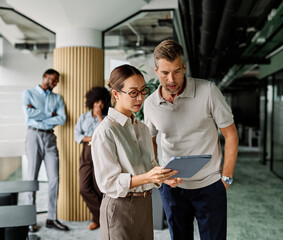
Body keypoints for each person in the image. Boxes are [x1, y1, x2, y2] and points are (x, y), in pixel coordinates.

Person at [144, 40, 239, 240]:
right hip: (172, 189)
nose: (171, 79)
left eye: (177, 71)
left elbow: (231, 135)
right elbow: (149, 140)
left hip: (210, 185)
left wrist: (226, 178)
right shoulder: (150, 104)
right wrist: (159, 178)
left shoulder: (208, 91)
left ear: (184, 67)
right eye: (164, 73)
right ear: (155, 70)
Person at [91, 64, 182, 240]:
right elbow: (108, 182)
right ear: (116, 94)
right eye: (133, 92)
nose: (140, 98)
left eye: (143, 90)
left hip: (145, 204)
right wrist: (148, 177)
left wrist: (164, 176)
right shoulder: (106, 131)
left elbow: (151, 165)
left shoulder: (143, 129)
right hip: (119, 207)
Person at [22, 69, 69, 232]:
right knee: (31, 179)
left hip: (50, 138)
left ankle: (52, 218)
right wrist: (50, 115)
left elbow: (62, 118)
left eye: (57, 81)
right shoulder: (28, 93)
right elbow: (28, 113)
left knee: (54, 179)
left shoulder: (57, 98)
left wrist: (39, 116)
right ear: (45, 77)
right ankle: (30, 220)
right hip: (33, 136)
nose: (55, 83)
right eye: (53, 80)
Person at [74, 86, 111, 230]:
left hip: (101, 152)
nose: (99, 106)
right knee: (84, 188)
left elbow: (106, 135)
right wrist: (92, 137)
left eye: (102, 104)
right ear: (92, 102)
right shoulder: (84, 117)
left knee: (99, 187)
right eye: (96, 103)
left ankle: (99, 219)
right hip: (87, 151)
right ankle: (100, 216)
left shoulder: (107, 118)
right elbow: (77, 135)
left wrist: (100, 117)